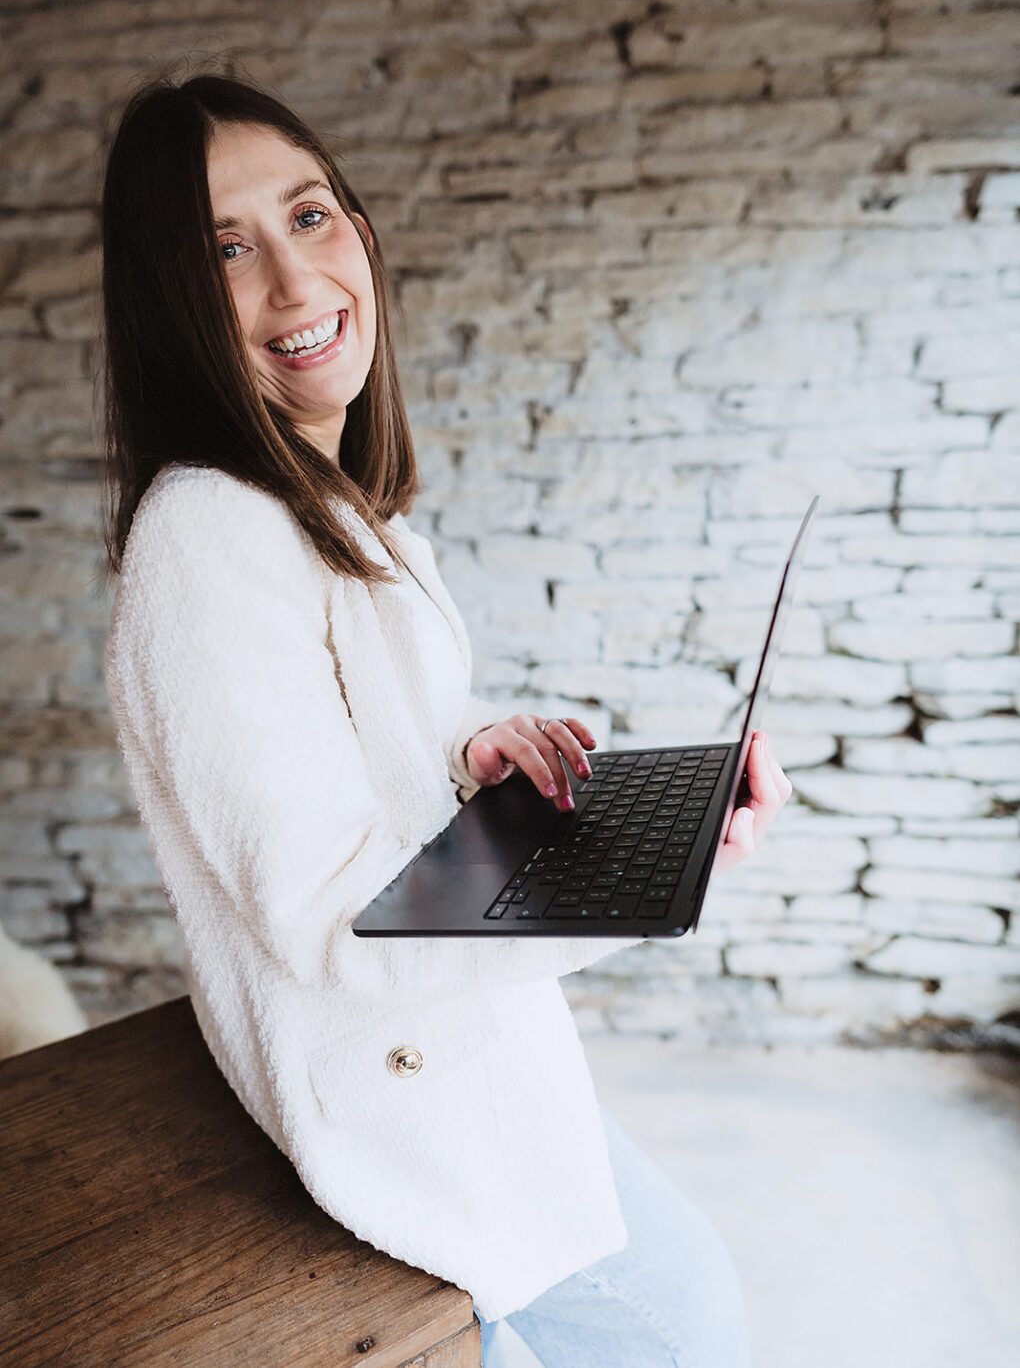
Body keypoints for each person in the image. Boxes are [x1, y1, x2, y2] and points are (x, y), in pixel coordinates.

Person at [99, 70, 791, 1365]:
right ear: (168, 303)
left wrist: (473, 743)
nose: (294, 284)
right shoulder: (205, 532)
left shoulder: (348, 507)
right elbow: (334, 915)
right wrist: (629, 870)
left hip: (479, 1059)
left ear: (361, 227)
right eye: (226, 251)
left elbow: (358, 718)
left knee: (688, 1301)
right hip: (392, 1122)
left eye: (308, 217)